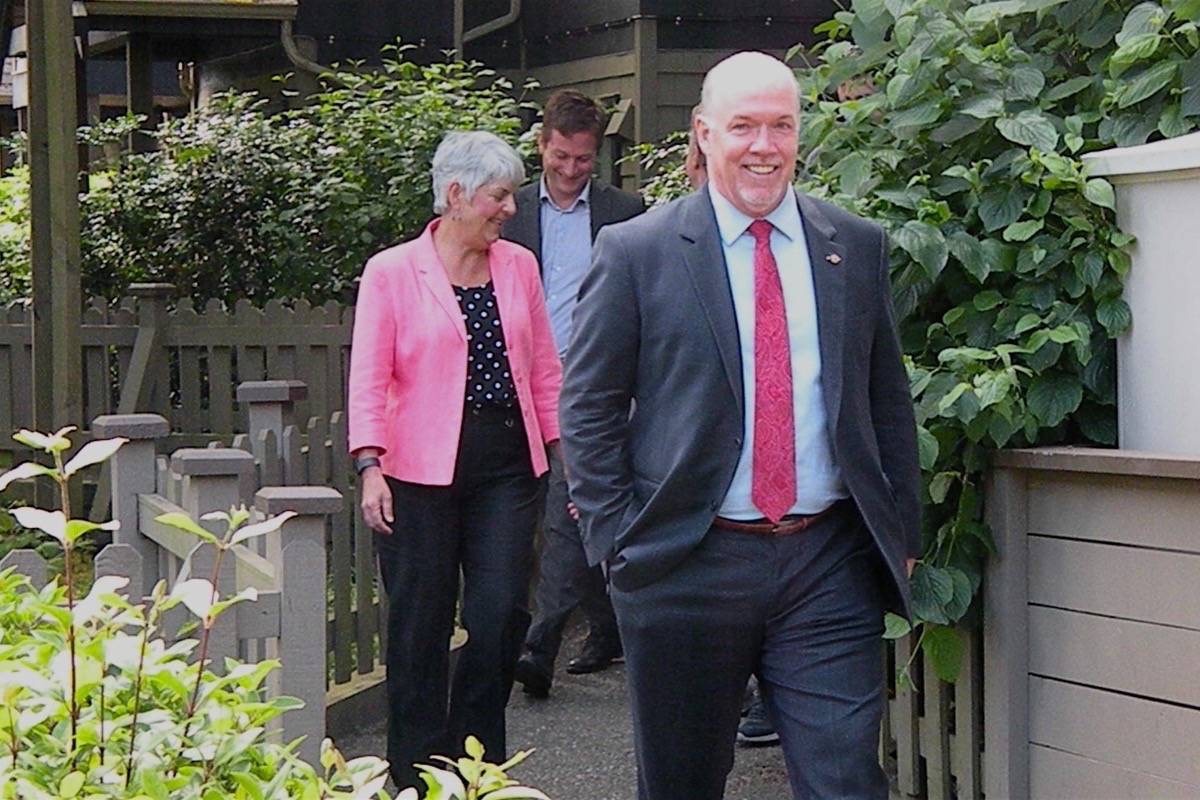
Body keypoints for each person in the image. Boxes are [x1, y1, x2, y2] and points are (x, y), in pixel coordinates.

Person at [560, 51, 921, 800]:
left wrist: (904, 537)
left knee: (846, 780)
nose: (764, 145)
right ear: (703, 133)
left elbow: (885, 399)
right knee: (683, 783)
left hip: (827, 562)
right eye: (744, 126)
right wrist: (617, 540)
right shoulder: (638, 252)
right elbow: (588, 405)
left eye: (781, 125)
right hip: (687, 564)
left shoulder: (853, 245)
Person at [348, 130, 562, 790]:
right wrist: (369, 464)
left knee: (500, 615)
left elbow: (545, 369)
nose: (508, 209)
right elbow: (369, 375)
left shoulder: (519, 266)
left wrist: (566, 456)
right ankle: (411, 774)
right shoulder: (392, 271)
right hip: (417, 469)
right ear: (455, 194)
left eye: (511, 196)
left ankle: (472, 761)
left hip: (507, 462)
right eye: (499, 196)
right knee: (421, 621)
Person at [501, 89, 645, 698]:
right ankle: (608, 625)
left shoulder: (625, 211)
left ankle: (540, 646)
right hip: (518, 378)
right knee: (528, 507)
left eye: (582, 160)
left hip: (589, 382)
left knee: (567, 504)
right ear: (541, 147)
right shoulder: (512, 212)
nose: (569, 170)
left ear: (598, 157)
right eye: (559, 157)